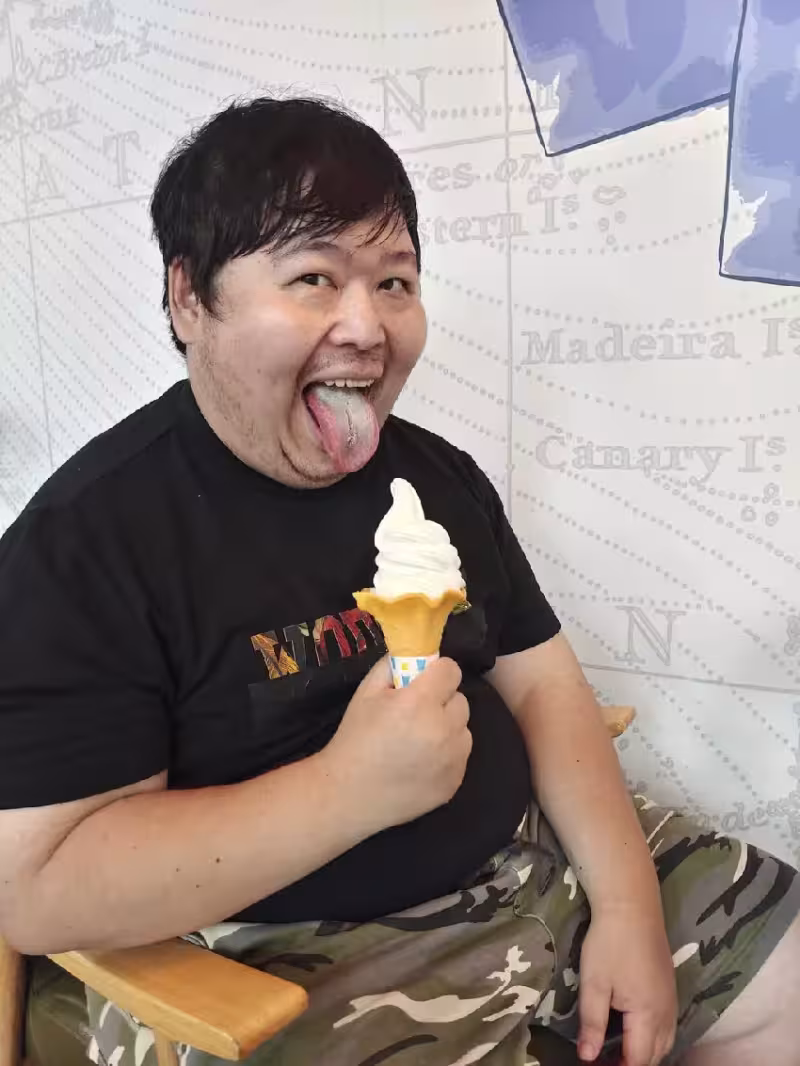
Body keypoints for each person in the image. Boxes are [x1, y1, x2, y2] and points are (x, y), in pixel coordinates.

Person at [0, 97, 798, 1066]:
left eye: (394, 282)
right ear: (188, 297)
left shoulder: (436, 479)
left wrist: (629, 907)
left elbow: (542, 687)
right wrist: (344, 791)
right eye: (313, 277)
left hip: (536, 865)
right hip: (299, 962)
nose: (366, 325)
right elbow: (36, 886)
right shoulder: (86, 541)